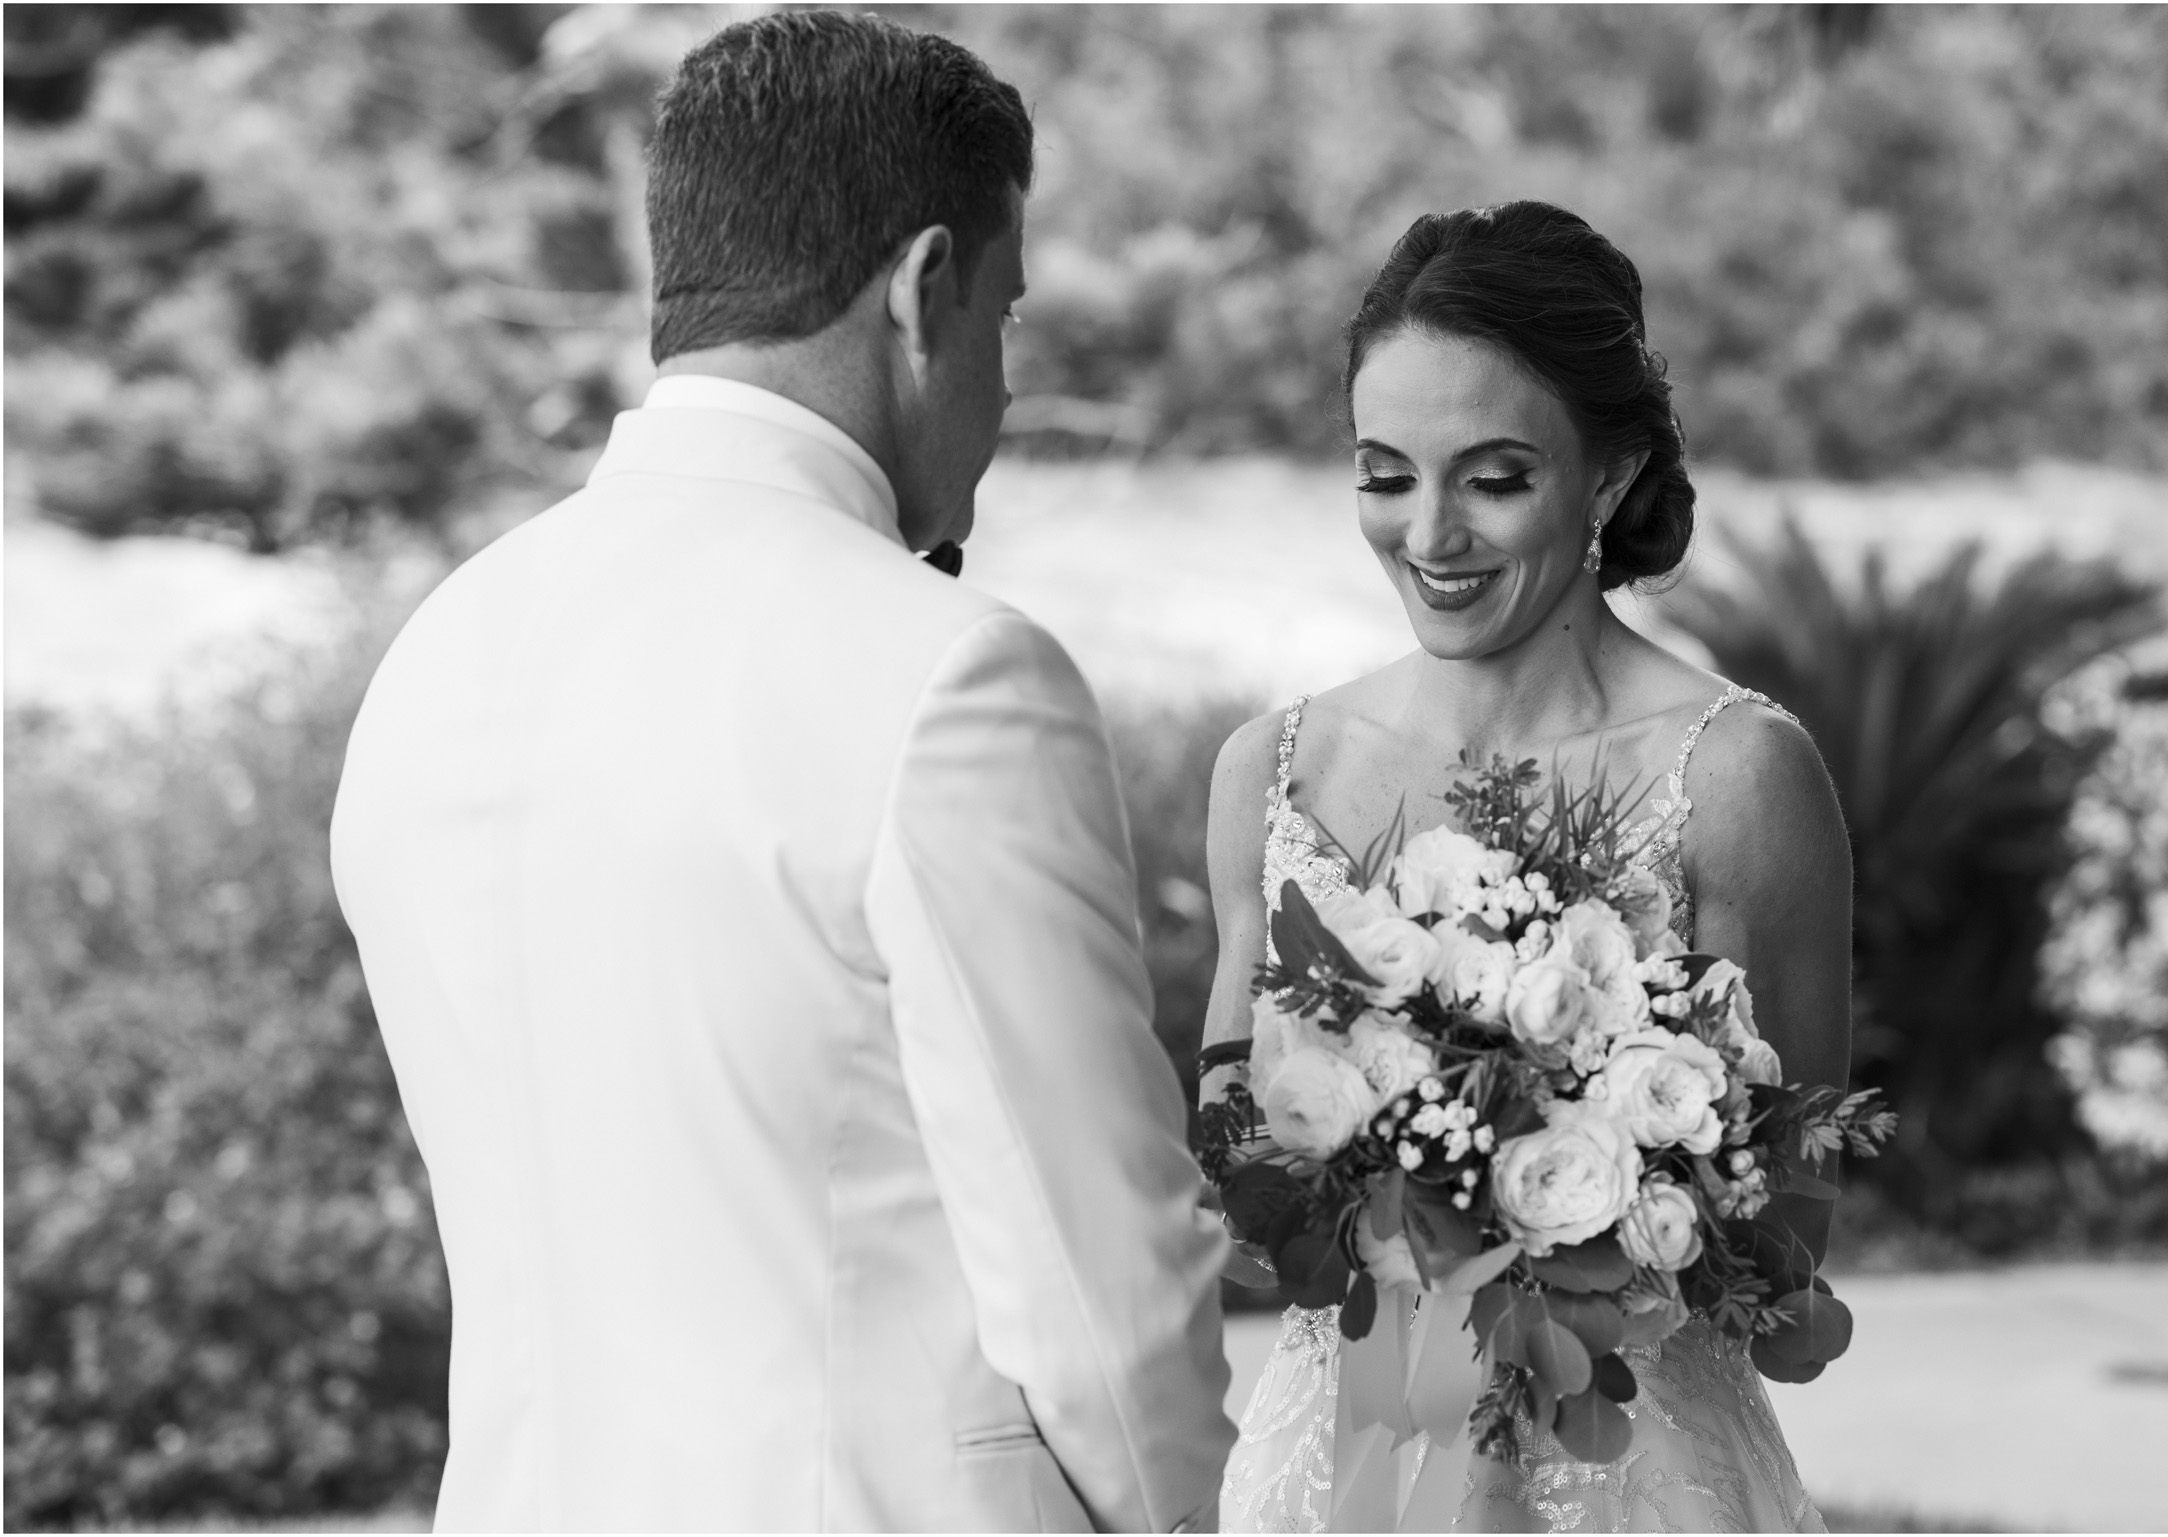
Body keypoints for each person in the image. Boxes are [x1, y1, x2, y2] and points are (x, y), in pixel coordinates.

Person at [331, 13, 1232, 1531]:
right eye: (1003, 320)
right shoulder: (950, 674)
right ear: (922, 289)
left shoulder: (433, 658)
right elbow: (1105, 1298)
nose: (1003, 395)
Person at [1203, 202, 1850, 1532]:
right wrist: (1349, 1171)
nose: (1430, 533)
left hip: (1630, 1476)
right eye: (1386, 474)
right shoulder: (1271, 768)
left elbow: (1788, 1241)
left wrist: (1561, 1182)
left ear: (1608, 473)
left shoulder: (1738, 776)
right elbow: (1232, 1155)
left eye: (1493, 477)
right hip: (1341, 1471)